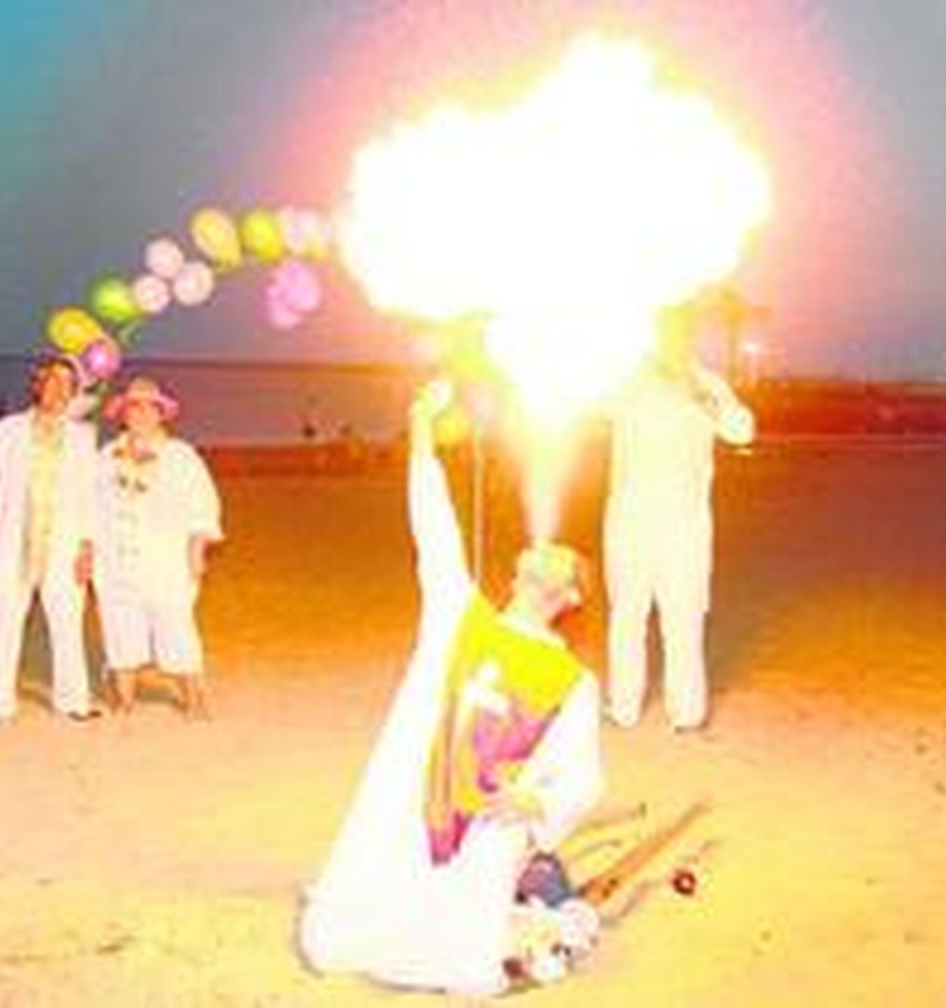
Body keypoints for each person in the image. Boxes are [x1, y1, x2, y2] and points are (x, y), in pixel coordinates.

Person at [298, 381, 604, 997]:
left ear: (569, 596)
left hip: (485, 827)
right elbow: (434, 530)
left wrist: (535, 805)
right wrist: (419, 434)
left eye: (562, 559)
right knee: (335, 939)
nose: (544, 552)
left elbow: (586, 777)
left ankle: (538, 905)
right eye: (543, 548)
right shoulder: (460, 615)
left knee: (462, 969)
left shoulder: (571, 681)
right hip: (416, 797)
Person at [604, 326, 755, 731]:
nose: (668, 344)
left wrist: (696, 391)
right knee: (626, 617)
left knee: (684, 618)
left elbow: (742, 431)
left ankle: (686, 712)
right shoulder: (625, 380)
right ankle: (623, 707)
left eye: (676, 335)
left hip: (684, 526)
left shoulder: (706, 383)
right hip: (629, 522)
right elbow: (577, 401)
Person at [0, 356, 100, 724]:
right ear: (38, 385)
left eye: (68, 384)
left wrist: (88, 546)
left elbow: (91, 496)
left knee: (67, 625)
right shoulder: (6, 430)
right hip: (12, 545)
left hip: (62, 545)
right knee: (5, 626)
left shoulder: (83, 438)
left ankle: (73, 702)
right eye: (53, 381)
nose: (59, 389)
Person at [94, 377, 222, 717]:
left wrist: (196, 550)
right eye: (133, 406)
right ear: (123, 414)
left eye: (149, 407)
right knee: (119, 629)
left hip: (166, 560)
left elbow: (204, 505)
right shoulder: (107, 455)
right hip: (114, 558)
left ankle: (194, 700)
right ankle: (124, 701)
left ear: (160, 414)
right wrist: (87, 548)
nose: (140, 413)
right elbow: (88, 505)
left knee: (176, 627)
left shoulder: (181, 456)